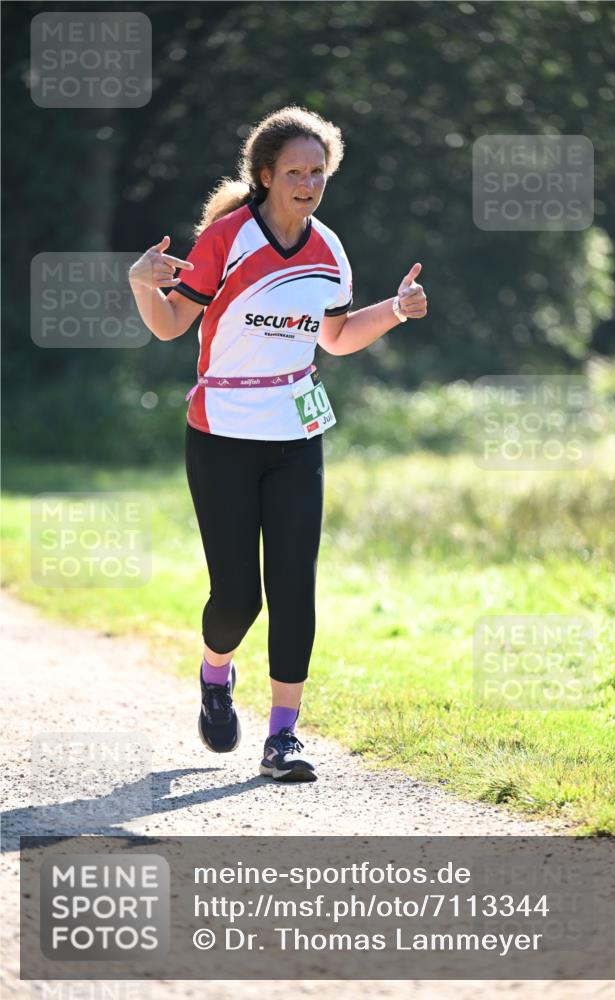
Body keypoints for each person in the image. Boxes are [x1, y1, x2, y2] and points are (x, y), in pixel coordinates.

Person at [128, 105, 427, 782]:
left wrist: (394, 310)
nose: (307, 182)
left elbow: (338, 337)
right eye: (294, 171)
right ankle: (215, 672)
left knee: (294, 588)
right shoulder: (228, 239)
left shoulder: (327, 249)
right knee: (238, 598)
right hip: (221, 433)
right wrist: (141, 283)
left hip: (296, 435)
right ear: (264, 175)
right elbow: (173, 325)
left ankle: (283, 737)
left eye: (317, 171)